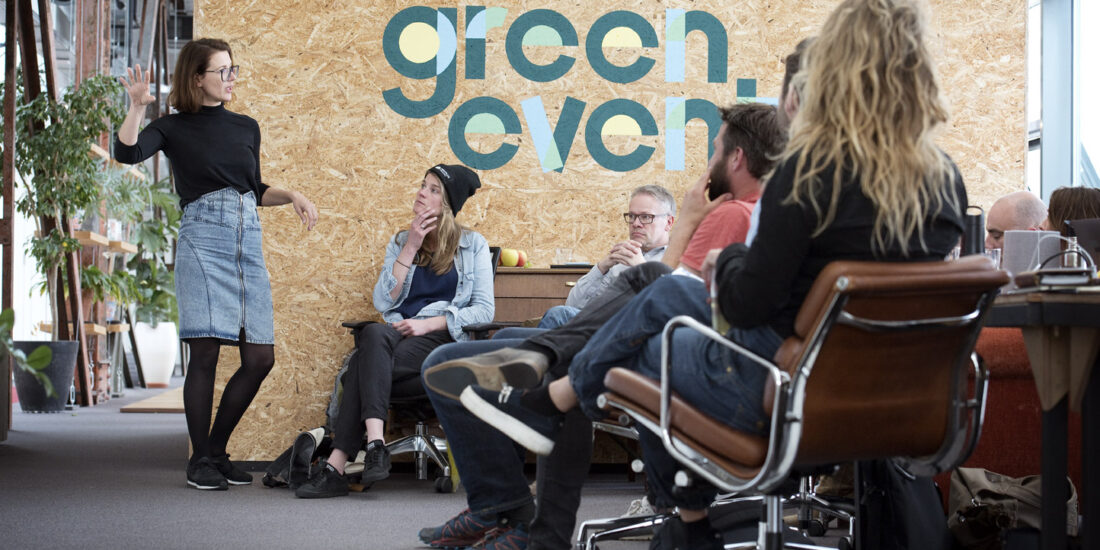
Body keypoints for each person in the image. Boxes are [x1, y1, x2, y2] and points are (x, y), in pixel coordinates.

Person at [459, 1, 968, 548]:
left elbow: (746, 306)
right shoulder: (944, 180)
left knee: (646, 346)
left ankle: (681, 514)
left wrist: (728, 261)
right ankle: (590, 433)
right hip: (898, 399)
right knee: (664, 296)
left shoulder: (809, 174)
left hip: (787, 395)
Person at [415, 102, 786, 550]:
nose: (709, 163)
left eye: (715, 150)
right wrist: (609, 266)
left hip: (672, 353)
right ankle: (507, 505)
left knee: (456, 359)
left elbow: (669, 297)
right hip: (642, 338)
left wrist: (688, 222)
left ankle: (527, 521)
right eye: (632, 216)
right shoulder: (762, 217)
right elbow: (593, 301)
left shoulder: (732, 214)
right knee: (502, 343)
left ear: (737, 159)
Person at [114, 39, 319, 491]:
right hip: (203, 241)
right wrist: (137, 108)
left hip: (247, 243)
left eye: (233, 69)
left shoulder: (247, 127)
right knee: (205, 352)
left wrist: (291, 195)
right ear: (196, 78)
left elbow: (252, 188)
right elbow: (127, 153)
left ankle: (215, 451)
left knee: (260, 357)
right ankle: (200, 462)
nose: (231, 78)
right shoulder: (171, 128)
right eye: (222, 71)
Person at [293, 164, 494, 499]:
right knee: (373, 333)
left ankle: (336, 467)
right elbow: (383, 299)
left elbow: (484, 310)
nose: (421, 193)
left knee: (360, 368)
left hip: (441, 341)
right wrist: (411, 246)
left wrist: (429, 323)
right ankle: (375, 444)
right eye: (423, 185)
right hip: (397, 337)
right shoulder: (401, 241)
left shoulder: (472, 245)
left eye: (433, 190)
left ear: (447, 205)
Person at [536, 185, 675, 328]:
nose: (635, 223)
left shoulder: (677, 260)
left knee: (558, 315)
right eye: (632, 216)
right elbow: (573, 305)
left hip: (633, 330)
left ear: (669, 222)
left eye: (645, 217)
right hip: (600, 327)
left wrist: (642, 269)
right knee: (547, 319)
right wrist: (601, 267)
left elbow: (670, 309)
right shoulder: (621, 259)